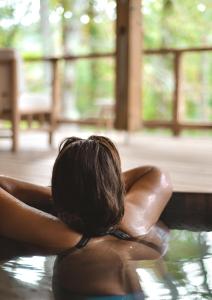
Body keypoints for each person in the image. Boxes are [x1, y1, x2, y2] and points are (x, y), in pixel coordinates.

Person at [0, 135, 172, 298]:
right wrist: (103, 185)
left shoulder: (62, 236)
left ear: (59, 196)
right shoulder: (134, 220)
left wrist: (57, 194)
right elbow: (155, 173)